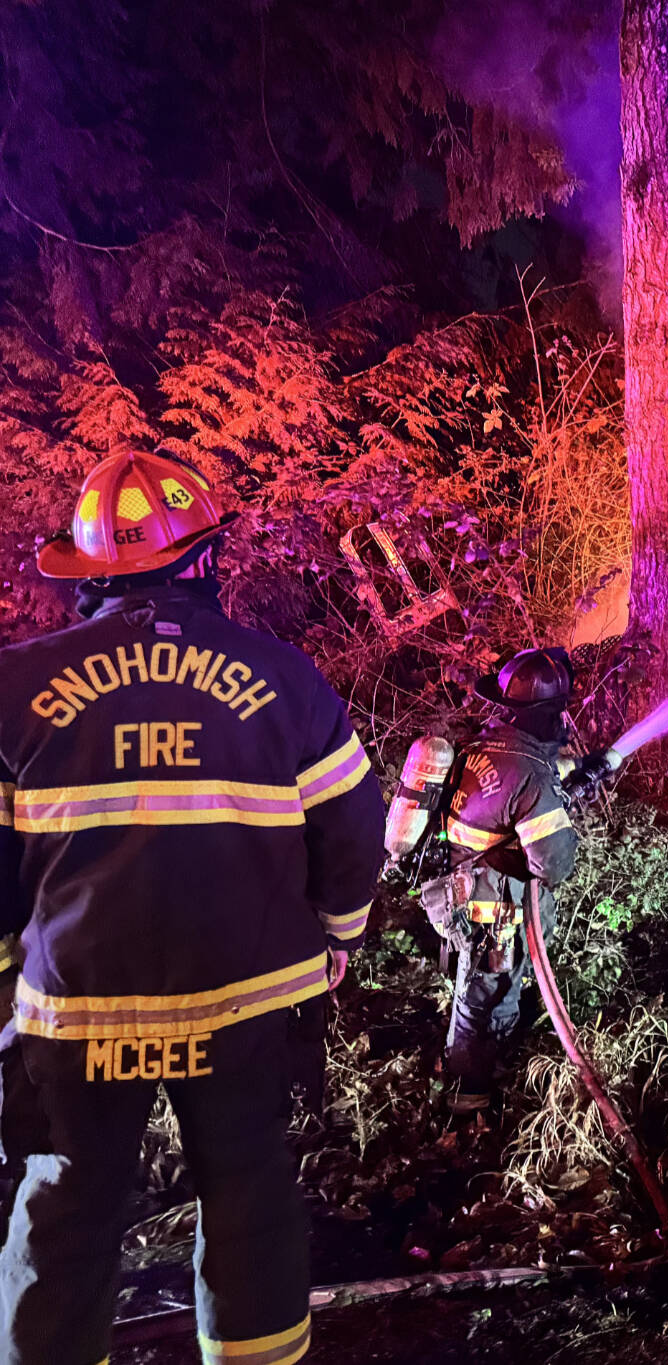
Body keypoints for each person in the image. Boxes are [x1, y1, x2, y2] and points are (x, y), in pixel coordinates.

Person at [0, 449, 384, 1365]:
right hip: (247, 1000)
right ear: (205, 558)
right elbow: (354, 825)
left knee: (63, 1211)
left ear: (91, 572)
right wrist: (339, 932)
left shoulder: (14, 689)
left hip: (76, 1009)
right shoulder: (285, 675)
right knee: (249, 1193)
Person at [422, 647, 580, 1114]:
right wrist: (558, 811)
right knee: (487, 996)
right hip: (496, 910)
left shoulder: (481, 746)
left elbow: (502, 801)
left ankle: (477, 1072)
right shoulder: (528, 772)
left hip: (461, 892)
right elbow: (554, 865)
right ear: (549, 712)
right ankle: (469, 1100)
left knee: (478, 988)